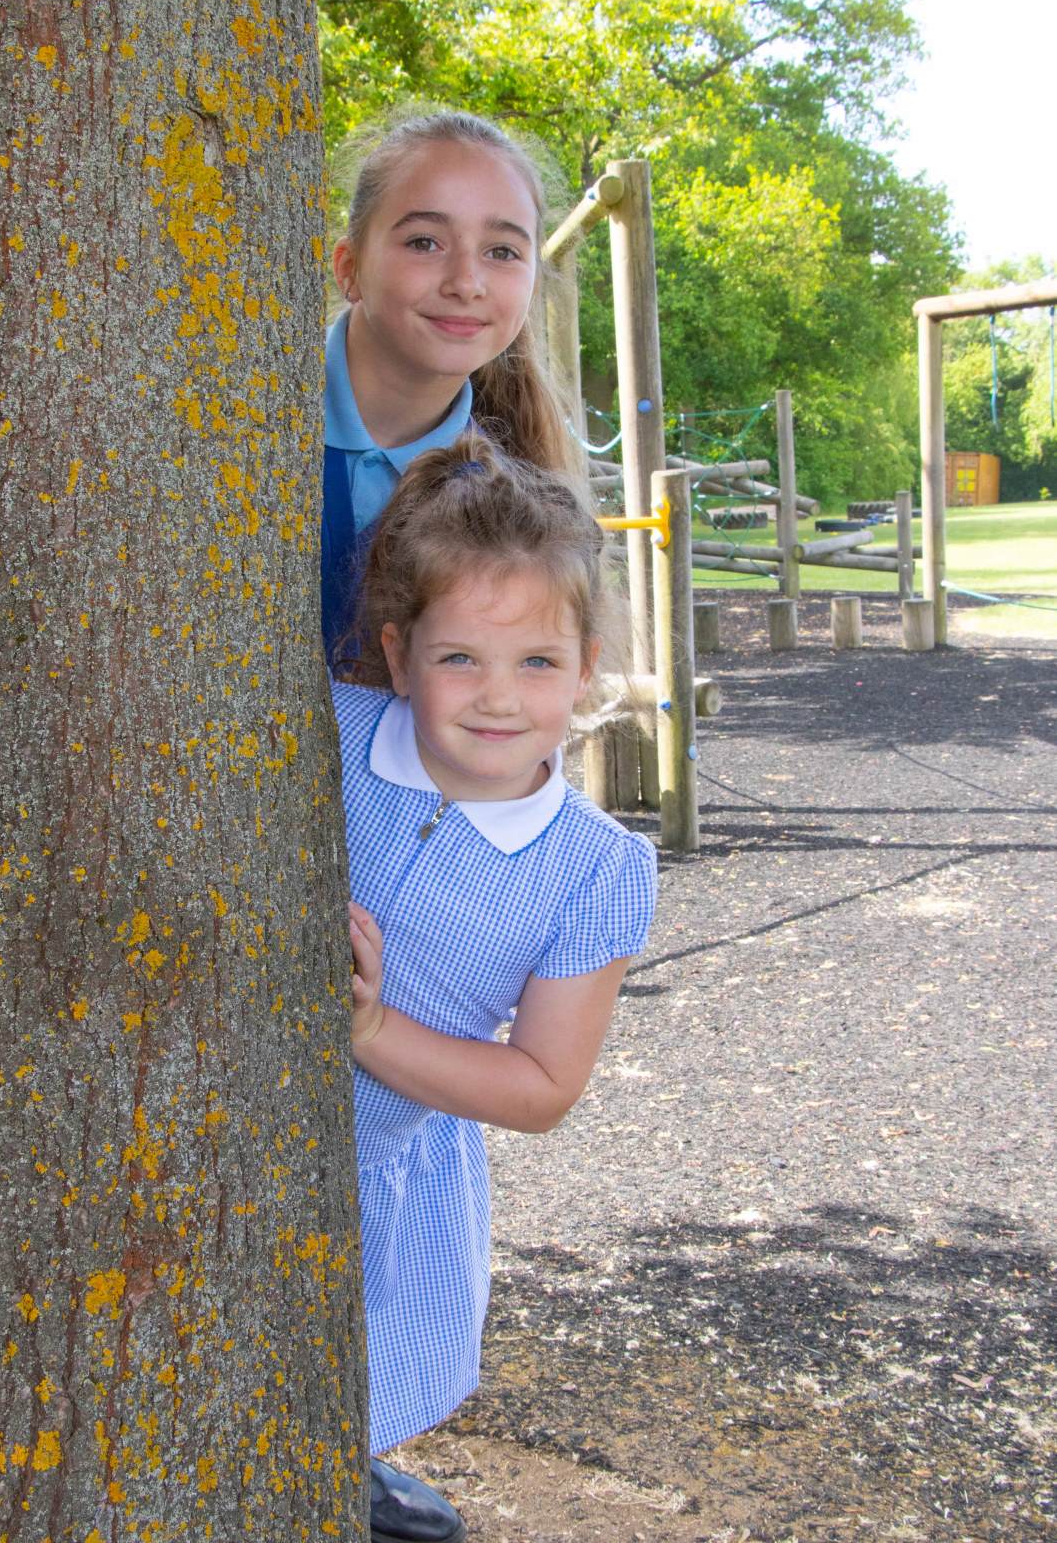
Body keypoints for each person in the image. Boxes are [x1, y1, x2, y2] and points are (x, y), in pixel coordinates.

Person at [335, 434, 658, 1543]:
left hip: (379, 1157)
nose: (496, 698)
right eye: (458, 658)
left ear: (584, 664)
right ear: (397, 649)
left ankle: (347, 1469)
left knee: (339, 1374)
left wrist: (370, 1029)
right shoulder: (323, 736)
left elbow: (542, 1083)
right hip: (209, 1112)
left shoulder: (595, 867)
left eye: (534, 663)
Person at [322, 109, 575, 665]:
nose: (466, 282)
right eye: (424, 242)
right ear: (350, 268)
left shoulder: (516, 502)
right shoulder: (245, 427)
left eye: (502, 251)